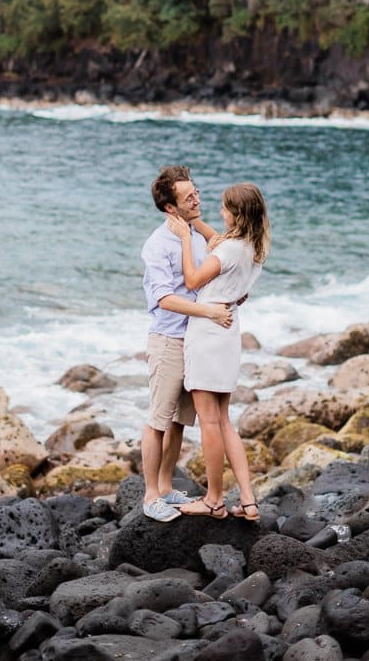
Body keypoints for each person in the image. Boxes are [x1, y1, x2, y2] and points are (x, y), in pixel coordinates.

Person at [166, 182, 270, 520]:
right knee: (225, 421)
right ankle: (249, 500)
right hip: (229, 332)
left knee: (209, 422)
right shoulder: (253, 247)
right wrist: (193, 223)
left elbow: (194, 280)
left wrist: (184, 239)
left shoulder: (227, 252)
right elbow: (217, 241)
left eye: (225, 208)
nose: (219, 212)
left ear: (236, 215)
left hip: (209, 330)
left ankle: (213, 500)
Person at [139, 165, 235, 523]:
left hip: (195, 341)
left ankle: (166, 486)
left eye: (196, 192)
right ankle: (150, 495)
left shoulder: (194, 233)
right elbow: (164, 298)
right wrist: (209, 312)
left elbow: (220, 258)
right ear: (170, 207)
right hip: (168, 339)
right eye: (188, 197)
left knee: (179, 421)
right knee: (158, 421)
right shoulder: (156, 245)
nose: (197, 199)